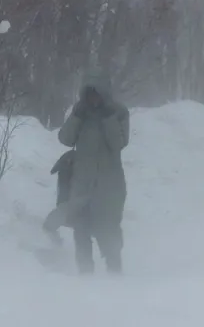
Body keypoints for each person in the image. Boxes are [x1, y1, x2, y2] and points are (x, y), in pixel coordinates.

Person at [56, 69, 130, 274]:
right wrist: (77, 116)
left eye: (97, 93)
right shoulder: (81, 112)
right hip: (82, 184)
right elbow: (65, 139)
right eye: (90, 93)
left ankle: (115, 274)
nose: (93, 98)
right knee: (81, 230)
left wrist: (108, 118)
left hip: (110, 186)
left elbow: (119, 143)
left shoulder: (119, 112)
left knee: (108, 231)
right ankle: (85, 277)